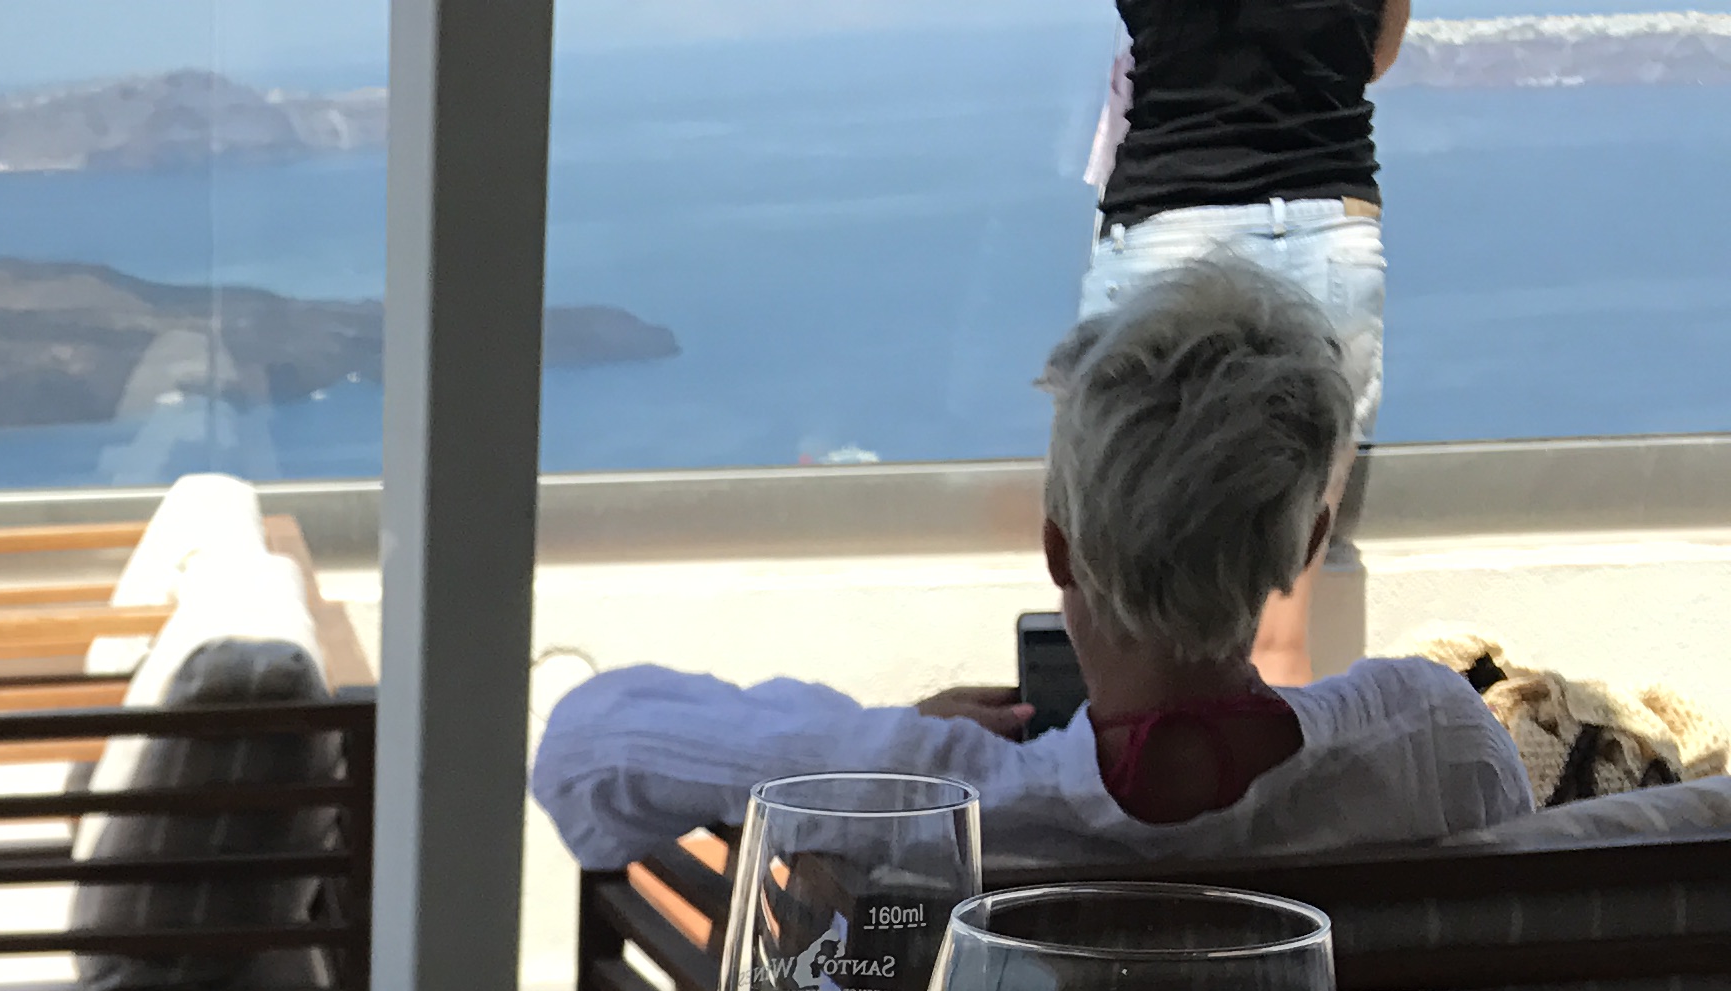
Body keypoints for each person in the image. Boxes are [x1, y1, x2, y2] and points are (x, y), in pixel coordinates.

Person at [529, 262, 1526, 872]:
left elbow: (584, 748)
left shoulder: (935, 799)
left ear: (1058, 549)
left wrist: (894, 744)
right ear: (1304, 547)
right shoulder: (1432, 742)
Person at [1082, 0, 1407, 682]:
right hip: (1325, 227)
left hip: (1163, 226)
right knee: (1277, 638)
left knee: (1131, 625)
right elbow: (1373, 54)